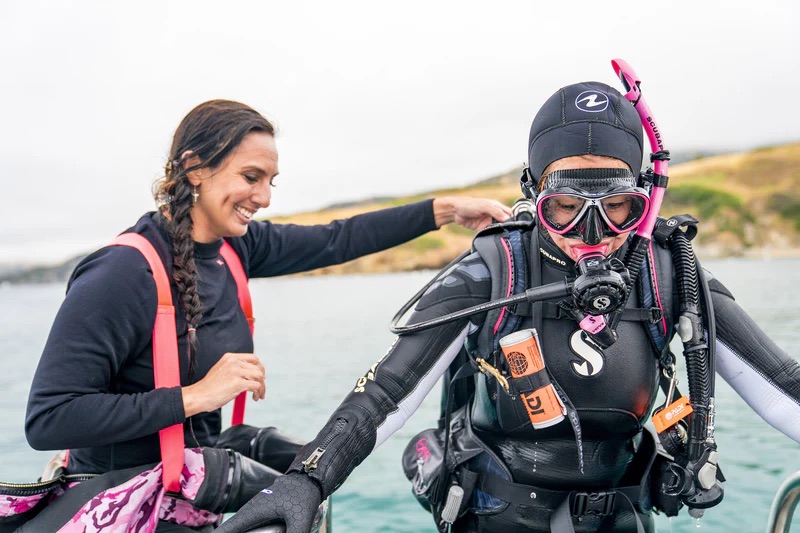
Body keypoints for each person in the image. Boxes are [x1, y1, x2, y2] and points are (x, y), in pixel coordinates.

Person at [217, 80, 800, 533]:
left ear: (645, 202)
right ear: (532, 194)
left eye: (617, 205)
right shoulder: (496, 272)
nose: (590, 231)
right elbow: (385, 393)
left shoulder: (669, 272)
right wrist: (306, 481)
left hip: (624, 517)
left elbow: (782, 386)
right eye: (565, 206)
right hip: (497, 517)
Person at [22, 99, 513, 531]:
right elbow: (49, 419)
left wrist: (446, 209)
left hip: (194, 475)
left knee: (311, 473)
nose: (265, 197)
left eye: (271, 181)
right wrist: (195, 396)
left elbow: (338, 238)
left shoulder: (236, 247)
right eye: (251, 177)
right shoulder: (123, 272)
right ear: (194, 168)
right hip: (125, 497)